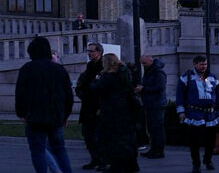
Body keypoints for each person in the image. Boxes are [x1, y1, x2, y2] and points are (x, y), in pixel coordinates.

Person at [15, 36, 74, 173]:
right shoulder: (59, 70)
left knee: (38, 151)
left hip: (35, 117)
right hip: (56, 116)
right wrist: (65, 115)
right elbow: (68, 96)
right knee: (59, 149)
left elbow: (20, 94)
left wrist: (22, 113)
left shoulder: (27, 69)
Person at [91, 53, 139, 173]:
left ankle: (116, 166)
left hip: (111, 111)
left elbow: (96, 88)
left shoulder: (108, 76)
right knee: (126, 139)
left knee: (112, 140)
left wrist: (96, 79)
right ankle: (131, 165)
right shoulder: (124, 73)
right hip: (125, 110)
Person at [176, 55, 219, 173]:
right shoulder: (186, 78)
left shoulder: (212, 78)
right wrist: (181, 111)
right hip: (194, 113)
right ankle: (196, 164)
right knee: (194, 141)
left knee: (211, 140)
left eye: (205, 64)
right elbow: (180, 96)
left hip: (211, 114)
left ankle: (208, 160)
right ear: (195, 64)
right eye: (201, 64)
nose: (204, 67)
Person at [76, 41, 104, 170]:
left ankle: (102, 160)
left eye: (92, 51)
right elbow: (82, 84)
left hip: (98, 107)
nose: (89, 53)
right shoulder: (89, 67)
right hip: (87, 106)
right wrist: (81, 92)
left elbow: (100, 87)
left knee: (98, 136)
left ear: (99, 52)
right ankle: (95, 159)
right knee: (88, 135)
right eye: (88, 51)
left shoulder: (102, 67)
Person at [135, 55, 166, 158]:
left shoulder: (158, 72)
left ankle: (159, 150)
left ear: (150, 61)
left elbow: (159, 87)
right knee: (152, 129)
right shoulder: (150, 71)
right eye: (142, 63)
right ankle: (153, 149)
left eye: (144, 63)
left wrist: (143, 89)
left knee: (157, 128)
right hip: (150, 103)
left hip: (156, 104)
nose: (143, 65)